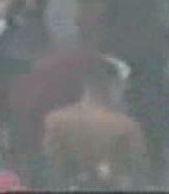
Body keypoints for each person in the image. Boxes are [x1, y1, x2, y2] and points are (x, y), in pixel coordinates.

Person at [40, 56, 151, 189]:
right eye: (122, 85)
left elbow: (52, 171)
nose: (124, 90)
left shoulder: (55, 121)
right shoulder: (126, 126)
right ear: (111, 83)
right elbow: (138, 174)